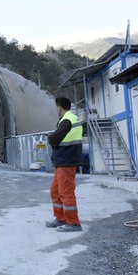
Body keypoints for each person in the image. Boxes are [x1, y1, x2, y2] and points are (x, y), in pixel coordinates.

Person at [46, 97, 83, 232]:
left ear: (60, 107)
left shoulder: (67, 120)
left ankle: (74, 223)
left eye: (56, 107)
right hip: (62, 162)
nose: (56, 110)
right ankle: (60, 218)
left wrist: (51, 137)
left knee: (66, 192)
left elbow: (53, 138)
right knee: (55, 191)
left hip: (66, 161)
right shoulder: (70, 118)